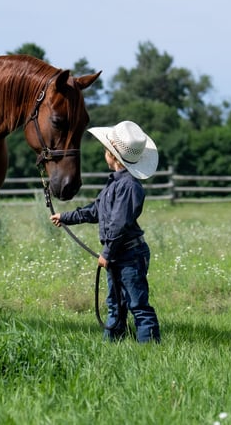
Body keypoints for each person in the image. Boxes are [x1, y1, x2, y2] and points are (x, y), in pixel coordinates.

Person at [50, 120, 161, 343]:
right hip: (120, 254)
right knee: (115, 303)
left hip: (129, 255)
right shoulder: (114, 184)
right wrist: (66, 217)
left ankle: (150, 348)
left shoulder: (129, 186)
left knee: (137, 304)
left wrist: (107, 252)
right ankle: (112, 345)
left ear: (111, 155)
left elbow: (119, 224)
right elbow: (96, 211)